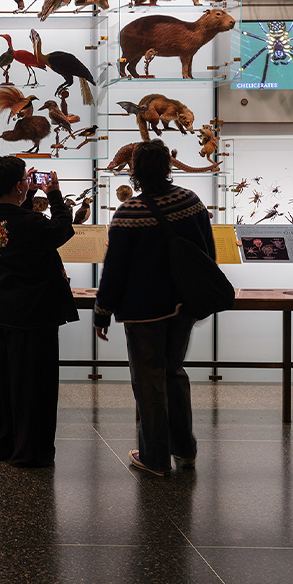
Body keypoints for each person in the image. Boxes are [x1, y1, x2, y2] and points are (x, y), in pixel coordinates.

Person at [93, 141, 213, 478]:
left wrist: (102, 312)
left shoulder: (129, 212)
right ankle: (185, 452)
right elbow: (207, 253)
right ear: (167, 166)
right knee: (174, 373)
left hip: (144, 312)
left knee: (148, 382)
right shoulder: (190, 201)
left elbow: (114, 269)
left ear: (135, 171)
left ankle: (155, 457)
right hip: (184, 307)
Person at [0, 155, 78, 468]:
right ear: (18, 184)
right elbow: (61, 229)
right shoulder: (31, 222)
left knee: (0, 383)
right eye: (25, 179)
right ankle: (29, 451)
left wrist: (28, 193)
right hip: (32, 315)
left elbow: (14, 221)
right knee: (33, 386)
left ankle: (0, 445)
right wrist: (55, 194)